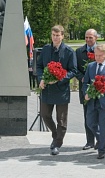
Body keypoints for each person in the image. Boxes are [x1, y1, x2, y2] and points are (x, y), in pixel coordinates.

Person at [37, 25, 77, 155]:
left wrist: (60, 79)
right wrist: (41, 79)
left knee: (61, 120)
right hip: (47, 89)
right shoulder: (46, 49)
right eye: (53, 35)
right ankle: (55, 134)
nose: (55, 37)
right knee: (45, 115)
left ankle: (57, 144)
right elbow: (38, 65)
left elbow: (73, 70)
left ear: (62, 36)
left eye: (58, 35)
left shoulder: (69, 52)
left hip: (61, 89)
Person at [76, 28, 105, 151]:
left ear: (95, 38)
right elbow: (75, 68)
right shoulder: (79, 51)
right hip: (87, 90)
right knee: (88, 117)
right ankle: (90, 141)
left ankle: (100, 141)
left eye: (90, 37)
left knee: (100, 118)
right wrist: (82, 78)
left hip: (102, 92)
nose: (88, 39)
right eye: (86, 37)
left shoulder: (104, 50)